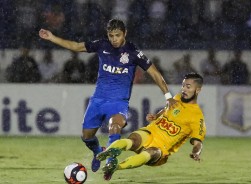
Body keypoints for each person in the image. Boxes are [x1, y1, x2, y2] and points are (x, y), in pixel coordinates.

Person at [38, 19, 176, 172]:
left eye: (117, 35)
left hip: (118, 103)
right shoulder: (102, 45)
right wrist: (52, 38)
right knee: (86, 137)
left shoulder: (133, 52)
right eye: (111, 35)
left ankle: (111, 161)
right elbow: (76, 46)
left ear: (125, 33)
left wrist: (168, 96)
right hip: (98, 100)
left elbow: (155, 74)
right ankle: (98, 151)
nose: (114, 39)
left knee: (115, 125)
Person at [97, 72, 206, 180]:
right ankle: (107, 153)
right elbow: (166, 109)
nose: (184, 89)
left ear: (197, 90)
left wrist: (195, 152)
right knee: (133, 139)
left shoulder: (197, 117)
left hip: (161, 147)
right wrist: (156, 115)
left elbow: (198, 143)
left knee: (150, 153)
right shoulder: (177, 98)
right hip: (151, 132)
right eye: (183, 85)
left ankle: (115, 167)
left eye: (188, 87)